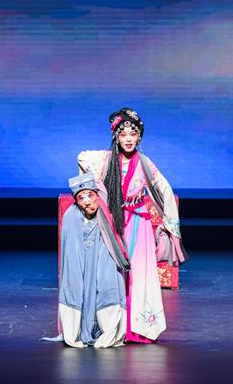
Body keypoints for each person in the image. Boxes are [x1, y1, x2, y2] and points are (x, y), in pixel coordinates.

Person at [78, 107, 187, 343]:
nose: (128, 139)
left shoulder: (144, 163)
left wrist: (169, 225)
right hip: (114, 224)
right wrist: (90, 195)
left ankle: (137, 328)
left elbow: (165, 189)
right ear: (116, 137)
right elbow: (82, 158)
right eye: (123, 134)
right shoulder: (107, 159)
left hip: (138, 223)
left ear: (139, 137)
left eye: (133, 134)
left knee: (139, 275)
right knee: (110, 274)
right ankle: (111, 325)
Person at [47, 172, 131, 348]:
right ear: (76, 201)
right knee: (77, 287)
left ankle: (107, 330)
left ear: (97, 196)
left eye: (90, 196)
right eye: (81, 198)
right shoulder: (71, 216)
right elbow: (70, 253)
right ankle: (75, 331)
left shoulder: (106, 217)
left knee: (106, 284)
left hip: (101, 261)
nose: (86, 202)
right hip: (81, 264)